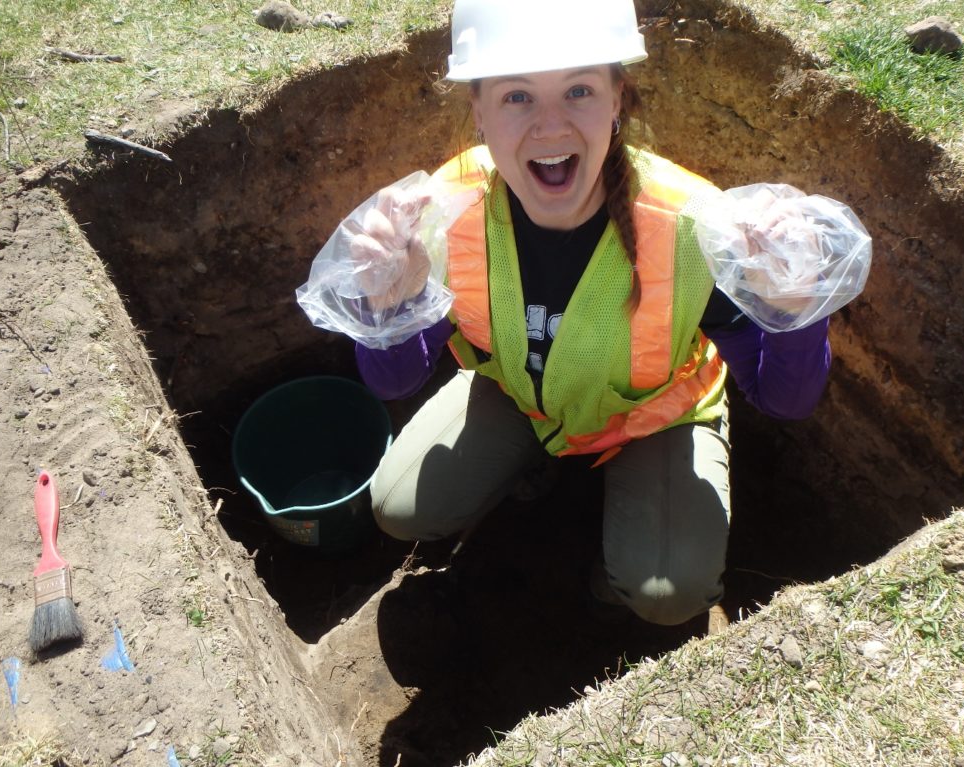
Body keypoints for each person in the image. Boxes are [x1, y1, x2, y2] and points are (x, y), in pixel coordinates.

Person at [338, 0, 832, 628]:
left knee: (664, 594)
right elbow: (393, 382)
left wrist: (794, 310)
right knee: (399, 508)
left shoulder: (690, 228)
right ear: (479, 113)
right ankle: (537, 465)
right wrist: (393, 306)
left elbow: (786, 399)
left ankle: (609, 582)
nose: (550, 128)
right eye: (517, 96)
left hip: (652, 417)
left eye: (578, 90)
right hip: (522, 396)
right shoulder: (450, 211)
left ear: (618, 98)